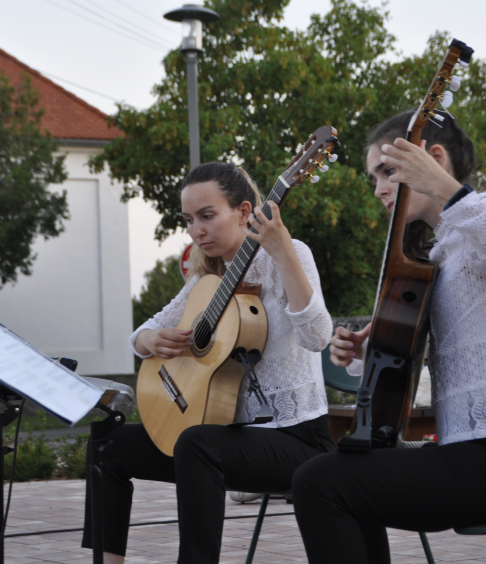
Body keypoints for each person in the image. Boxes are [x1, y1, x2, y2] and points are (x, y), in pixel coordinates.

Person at [291, 110, 486, 564]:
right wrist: (368, 351)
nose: (379, 188)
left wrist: (447, 189)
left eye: (387, 171)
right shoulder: (438, 254)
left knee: (320, 483)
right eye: (373, 178)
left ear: (434, 158)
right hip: (478, 455)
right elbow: (417, 361)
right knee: (343, 472)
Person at [82, 161, 335, 564]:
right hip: (226, 440)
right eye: (188, 219)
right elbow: (141, 334)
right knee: (108, 442)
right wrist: (151, 339)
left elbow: (317, 336)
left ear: (245, 212)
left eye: (207, 216)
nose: (196, 230)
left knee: (197, 444)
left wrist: (284, 251)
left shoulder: (290, 255)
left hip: (297, 440)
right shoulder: (208, 279)